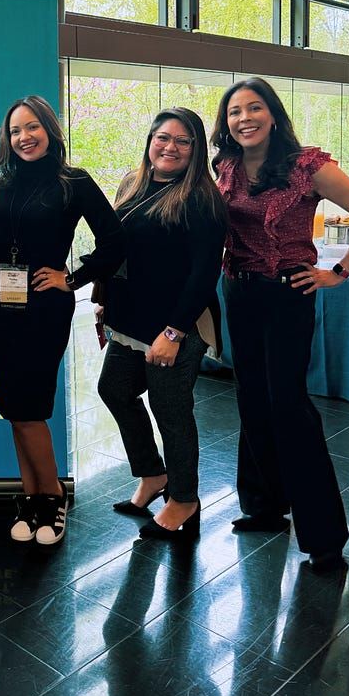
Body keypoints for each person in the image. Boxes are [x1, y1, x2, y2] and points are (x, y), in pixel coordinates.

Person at [211, 76, 349, 571]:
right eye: (235, 111)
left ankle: (324, 536)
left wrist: (339, 272)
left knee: (288, 407)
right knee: (250, 399)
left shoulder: (308, 166)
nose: (244, 118)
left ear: (273, 115)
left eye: (254, 108)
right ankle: (263, 505)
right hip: (238, 291)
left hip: (289, 294)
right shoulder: (225, 165)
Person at [0, 95, 125, 545]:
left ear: (49, 130)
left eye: (31, 127)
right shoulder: (5, 183)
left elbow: (115, 241)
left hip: (44, 307)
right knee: (13, 409)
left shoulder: (73, 181)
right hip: (3, 303)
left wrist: (73, 277)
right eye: (15, 131)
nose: (24, 137)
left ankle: (52, 497)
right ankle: (30, 494)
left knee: (31, 408)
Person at [96, 108, 226, 540]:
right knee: (113, 389)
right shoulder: (132, 185)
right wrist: (104, 303)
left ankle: (184, 498)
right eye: (162, 137)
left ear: (195, 149)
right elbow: (119, 252)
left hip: (176, 324)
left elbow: (204, 274)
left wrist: (174, 332)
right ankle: (153, 475)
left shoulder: (202, 199)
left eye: (182, 140)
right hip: (130, 320)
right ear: (149, 140)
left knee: (170, 410)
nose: (169, 147)